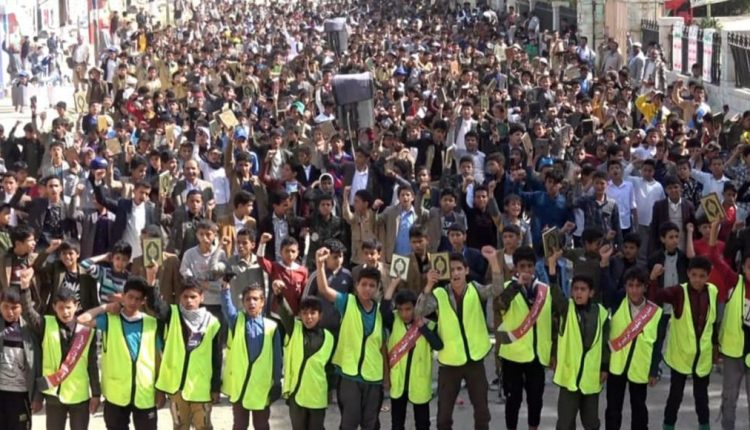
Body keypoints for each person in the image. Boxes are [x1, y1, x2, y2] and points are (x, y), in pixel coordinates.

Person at [416, 247, 503, 430]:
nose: (455, 273)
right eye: (452, 269)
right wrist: (428, 286)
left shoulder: (475, 289)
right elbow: (419, 312)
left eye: (459, 269)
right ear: (446, 273)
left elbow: (497, 289)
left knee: (482, 413)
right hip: (449, 362)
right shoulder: (439, 294)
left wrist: (494, 262)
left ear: (466, 270)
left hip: (475, 359)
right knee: (443, 418)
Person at [312, 247, 385, 430]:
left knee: (371, 424)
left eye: (372, 285)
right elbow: (324, 289)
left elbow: (382, 346)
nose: (367, 289)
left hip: (373, 377)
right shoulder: (347, 302)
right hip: (349, 375)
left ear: (377, 288)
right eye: (364, 284)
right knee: (349, 423)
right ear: (356, 286)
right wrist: (320, 265)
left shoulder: (380, 312)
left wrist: (387, 376)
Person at [77, 277, 162, 430]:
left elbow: (158, 359)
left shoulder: (152, 323)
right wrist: (106, 307)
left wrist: (160, 388)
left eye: (138, 299)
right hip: (116, 393)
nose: (133, 302)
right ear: (122, 296)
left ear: (143, 301)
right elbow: (81, 320)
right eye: (130, 297)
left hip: (144, 391)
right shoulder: (110, 320)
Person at [496, 245, 564, 430]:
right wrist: (517, 286)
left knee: (536, 399)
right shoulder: (507, 288)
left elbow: (554, 322)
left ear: (535, 267)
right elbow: (499, 305)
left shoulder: (545, 291)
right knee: (513, 399)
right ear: (515, 268)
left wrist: (554, 352)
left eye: (530, 266)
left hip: (537, 354)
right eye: (522, 266)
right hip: (513, 354)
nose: (526, 270)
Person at [649, 256, 718, 430]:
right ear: (688, 273)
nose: (697, 280)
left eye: (702, 276)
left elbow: (713, 323)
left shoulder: (712, 291)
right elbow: (656, 296)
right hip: (681, 357)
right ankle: (668, 426)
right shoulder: (679, 292)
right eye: (694, 275)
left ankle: (704, 426)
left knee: (702, 398)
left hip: (702, 358)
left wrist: (715, 349)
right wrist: (653, 279)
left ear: (708, 276)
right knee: (675, 396)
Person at [20, 286, 100, 430]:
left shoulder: (87, 331)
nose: (65, 312)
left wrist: (96, 393)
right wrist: (25, 288)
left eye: (69, 307)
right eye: (61, 307)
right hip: (54, 394)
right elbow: (27, 313)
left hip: (79, 394)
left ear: (76, 306)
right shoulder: (46, 324)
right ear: (54, 307)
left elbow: (92, 365)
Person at [148, 280, 222, 430]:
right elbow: (155, 305)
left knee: (204, 426)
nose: (189, 301)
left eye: (193, 297)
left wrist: (215, 387)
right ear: (180, 298)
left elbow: (217, 358)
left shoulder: (213, 322)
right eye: (185, 296)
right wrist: (151, 281)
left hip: (201, 388)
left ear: (202, 297)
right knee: (180, 426)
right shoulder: (172, 314)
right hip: (177, 387)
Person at [602, 266, 663, 430]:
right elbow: (606, 285)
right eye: (630, 285)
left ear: (645, 287)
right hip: (616, 366)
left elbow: (658, 345)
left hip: (640, 367)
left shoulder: (655, 312)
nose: (634, 290)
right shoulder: (617, 303)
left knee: (639, 409)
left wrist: (654, 370)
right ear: (625, 287)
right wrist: (605, 265)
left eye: (638, 286)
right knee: (613, 409)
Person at [382, 277, 443, 430]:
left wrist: (422, 327)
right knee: (397, 424)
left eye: (408, 309)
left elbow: (438, 345)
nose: (404, 314)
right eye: (400, 309)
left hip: (419, 382)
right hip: (398, 382)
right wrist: (393, 284)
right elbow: (383, 309)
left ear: (415, 307)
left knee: (423, 424)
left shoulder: (428, 324)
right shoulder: (394, 320)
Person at [220, 282, 282, 430]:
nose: (251, 302)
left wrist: (277, 382)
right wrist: (225, 289)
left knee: (261, 425)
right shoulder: (237, 321)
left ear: (262, 302)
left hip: (261, 386)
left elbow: (277, 358)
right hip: (241, 385)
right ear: (243, 303)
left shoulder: (271, 327)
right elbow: (227, 308)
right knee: (240, 425)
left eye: (255, 299)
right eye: (247, 299)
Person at [275, 288, 334, 430]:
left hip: (318, 395)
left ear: (320, 315)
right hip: (297, 394)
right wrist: (279, 296)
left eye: (313, 313)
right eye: (305, 313)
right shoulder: (294, 329)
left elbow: (330, 369)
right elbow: (286, 314)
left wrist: (330, 391)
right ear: (300, 315)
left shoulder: (329, 337)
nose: (308, 317)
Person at [0, 287, 42, 430]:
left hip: (21, 395)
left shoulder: (31, 331)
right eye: (5, 307)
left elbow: (38, 366)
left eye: (14, 307)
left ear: (21, 307)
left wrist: (37, 397)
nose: (10, 312)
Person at [718, 253, 750, 430]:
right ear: (743, 268)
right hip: (733, 352)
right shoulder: (735, 282)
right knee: (729, 398)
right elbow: (715, 258)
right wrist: (713, 236)